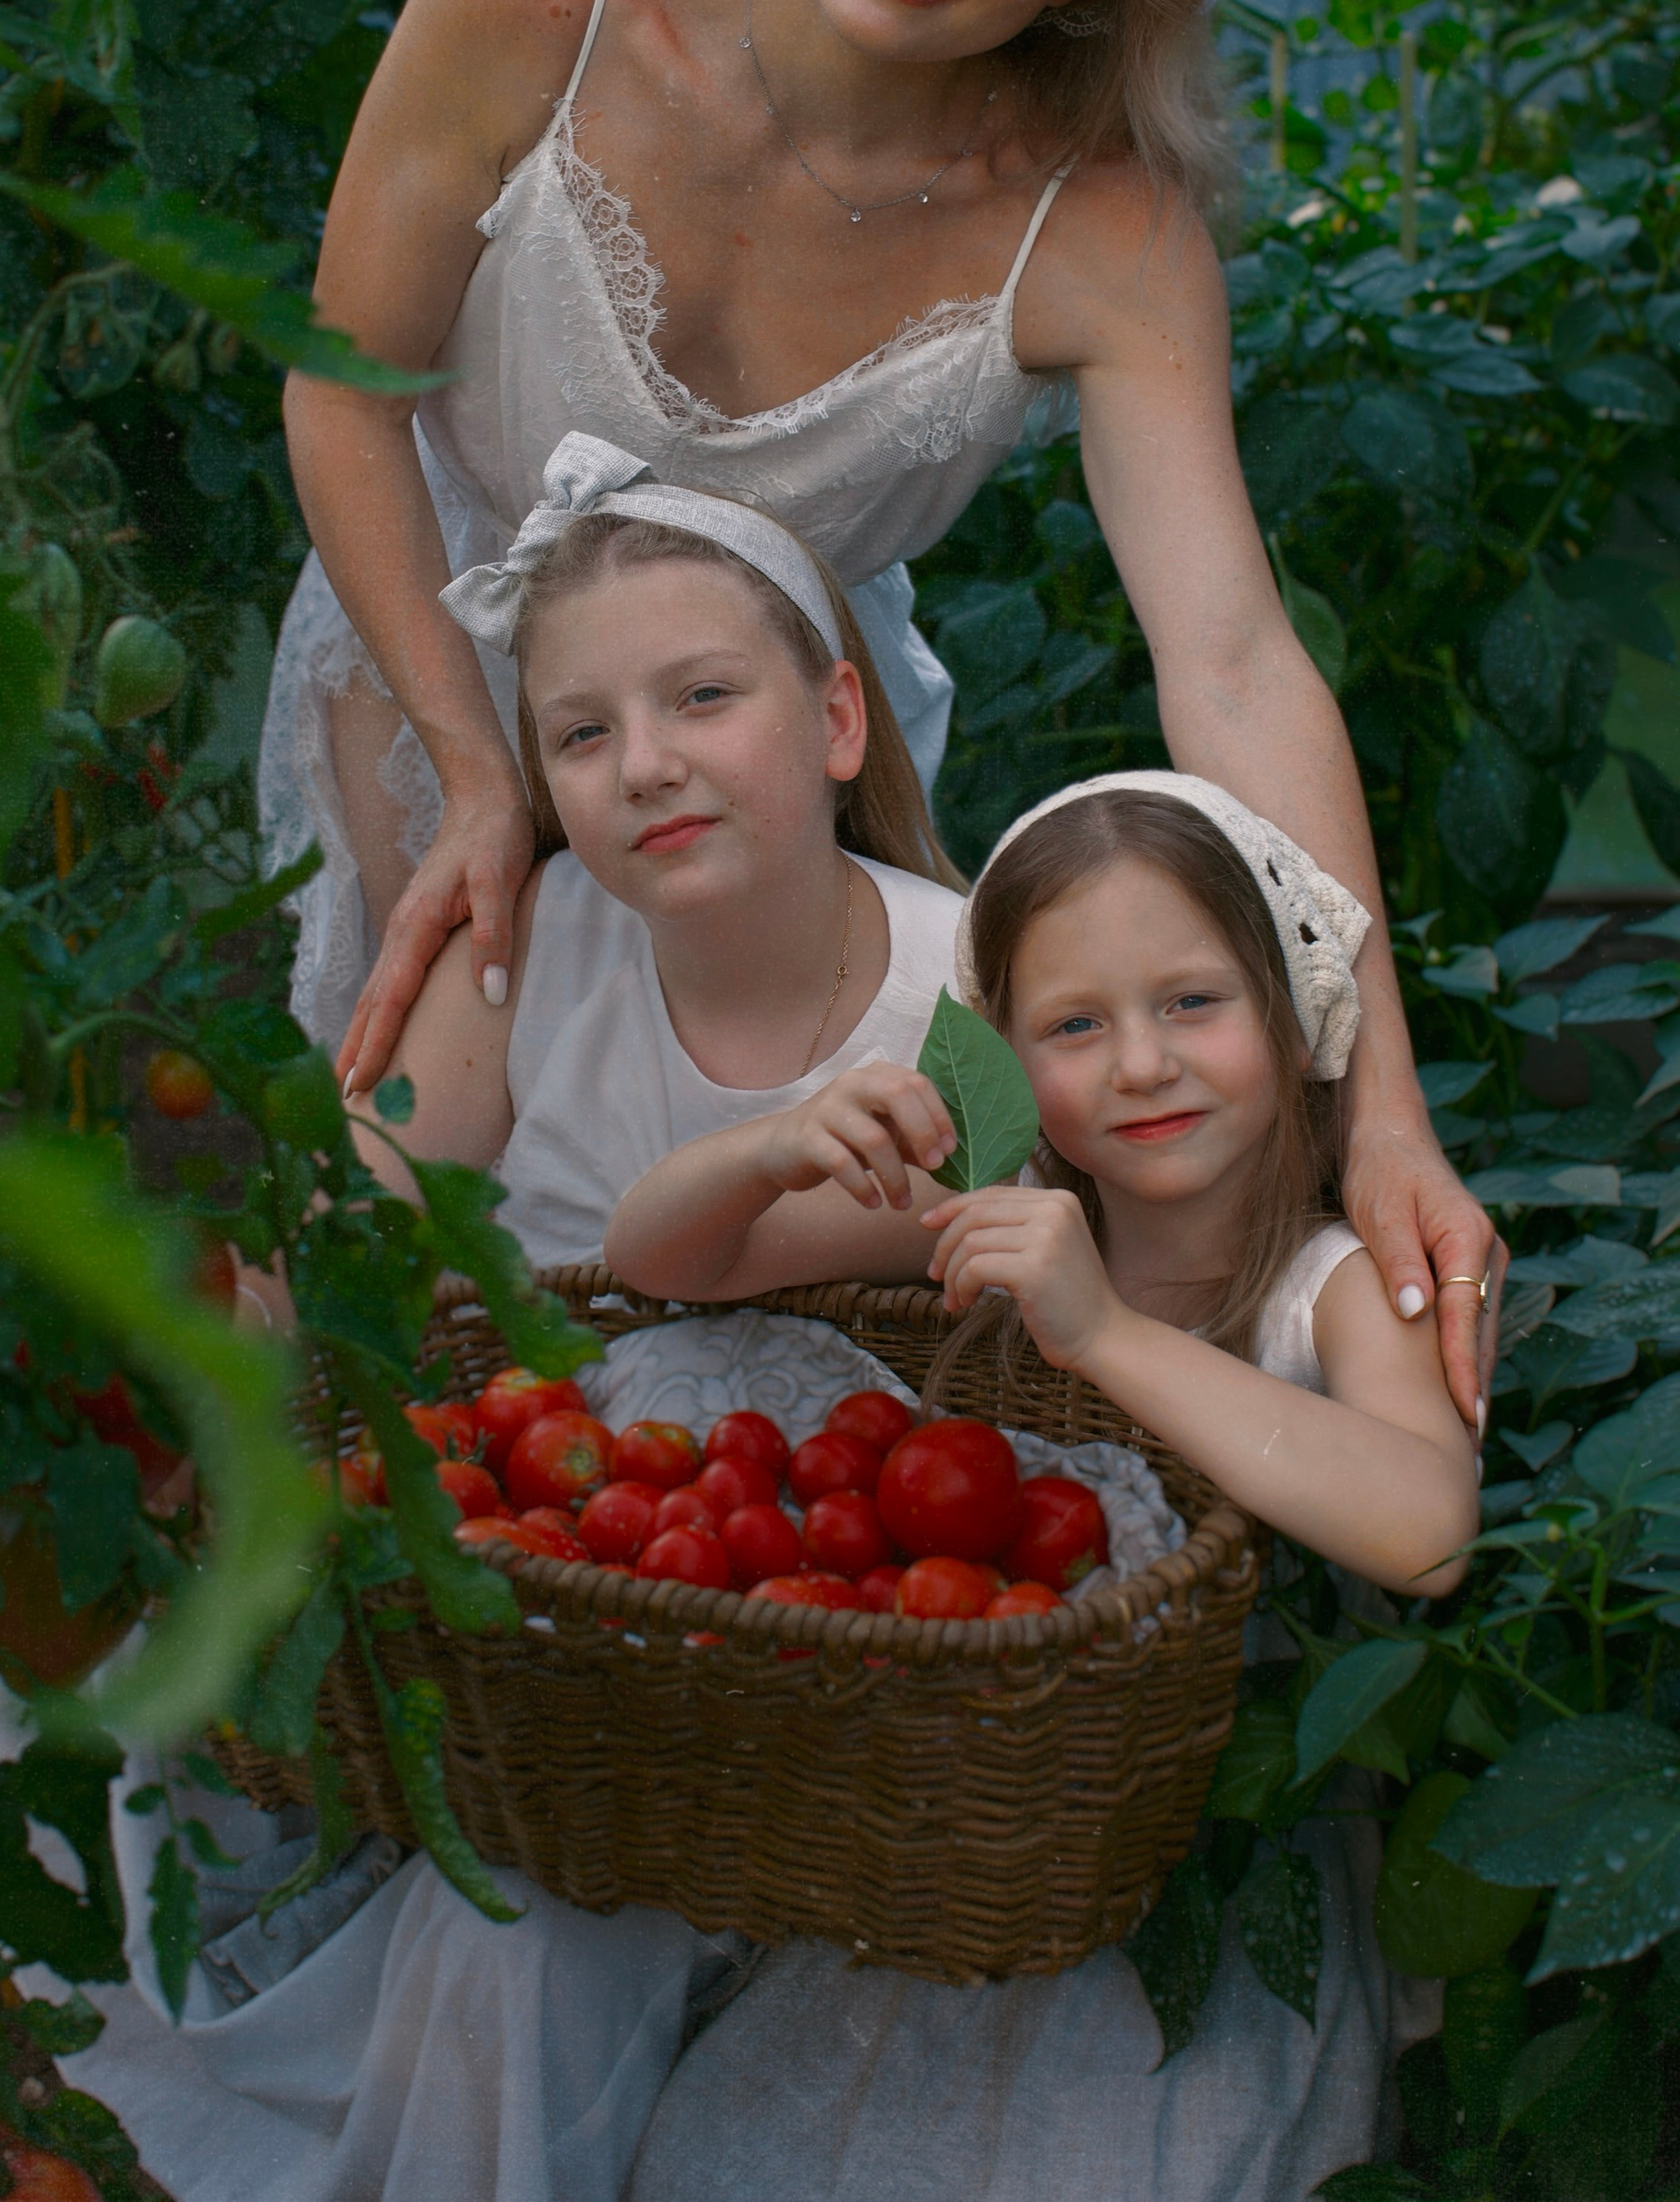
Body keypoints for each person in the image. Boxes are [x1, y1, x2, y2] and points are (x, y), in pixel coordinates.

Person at [259, 0, 1500, 1419]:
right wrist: (470, 764)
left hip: (787, 766)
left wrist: (1372, 1103)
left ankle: (773, 1675)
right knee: (420, 1235)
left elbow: (1230, 659)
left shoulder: (1105, 230)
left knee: (811, 1264)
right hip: (434, 669)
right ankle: (353, 1660)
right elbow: (343, 382)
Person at [68, 451, 969, 2202]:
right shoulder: (535, 938)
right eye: (578, 734)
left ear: (840, 717)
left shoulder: (963, 976)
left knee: (556, 1937)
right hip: (523, 1545)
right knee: (158, 1726)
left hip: (772, 1592)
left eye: (703, 698)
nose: (644, 765)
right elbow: (371, 1221)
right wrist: (264, 1295)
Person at [610, 773, 1477, 2202]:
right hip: (980, 1845)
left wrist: (1110, 1336)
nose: (1141, 1064)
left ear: (1288, 1007)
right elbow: (657, 1265)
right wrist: (768, 1149)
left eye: (1194, 1002)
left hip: (1212, 1877)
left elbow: (1427, 1529)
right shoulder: (1004, 1217)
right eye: (1075, 1026)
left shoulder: (1332, 1288)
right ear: (1005, 1056)